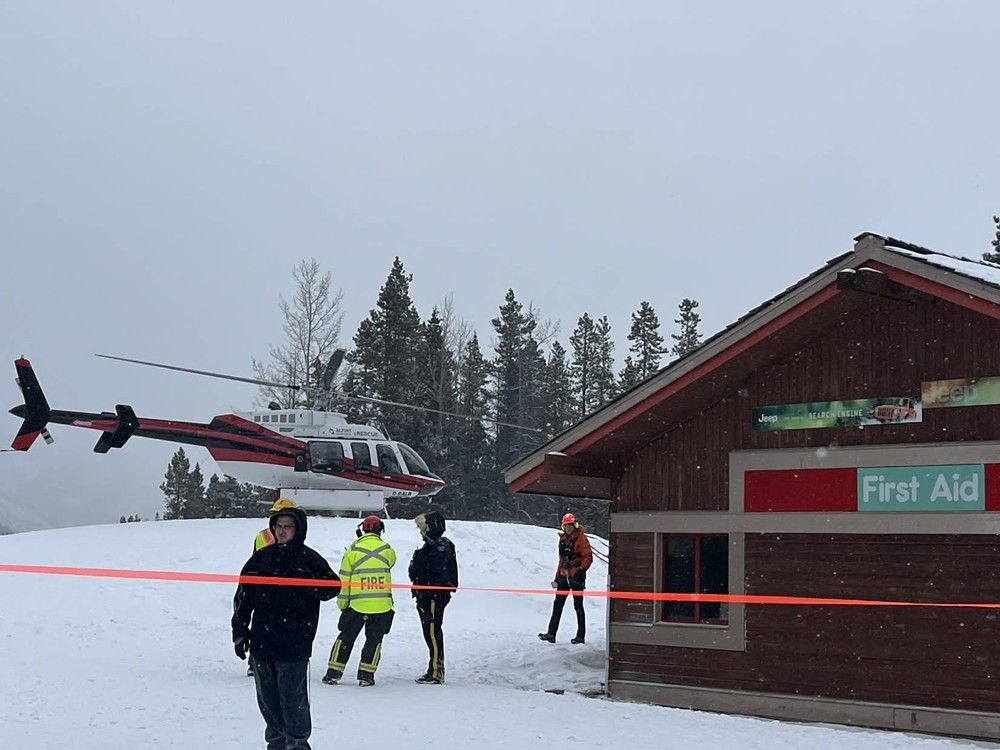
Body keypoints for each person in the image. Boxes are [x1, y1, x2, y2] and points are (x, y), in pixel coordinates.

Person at [232, 505, 339, 750]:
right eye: (278, 527)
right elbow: (243, 597)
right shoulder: (261, 558)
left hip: (295, 645)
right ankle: (276, 744)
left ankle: (298, 744)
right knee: (268, 703)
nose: (282, 531)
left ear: (298, 529)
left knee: (293, 701)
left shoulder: (309, 559)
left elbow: (332, 587)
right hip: (262, 644)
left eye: (287, 527)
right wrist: (239, 631)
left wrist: (305, 582)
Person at [322, 515, 396, 687]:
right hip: (382, 606)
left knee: (346, 638)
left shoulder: (352, 550)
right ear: (380, 530)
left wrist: (342, 604)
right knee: (374, 640)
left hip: (356, 605)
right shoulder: (388, 550)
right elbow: (390, 562)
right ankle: (366, 675)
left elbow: (345, 580)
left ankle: (333, 673)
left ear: (363, 529)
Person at [245, 497, 300, 677]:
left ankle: (255, 661)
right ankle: (262, 661)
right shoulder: (289, 535)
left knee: (261, 624)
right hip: (276, 585)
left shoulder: (261, 535)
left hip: (264, 585)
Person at [408, 511, 458, 684]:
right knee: (429, 632)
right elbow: (413, 571)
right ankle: (434, 668)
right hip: (425, 595)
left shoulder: (442, 545)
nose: (421, 533)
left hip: (434, 596)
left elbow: (431, 567)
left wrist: (418, 560)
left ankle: (437, 670)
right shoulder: (428, 547)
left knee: (433, 631)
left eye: (423, 529)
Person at [538, 512, 592, 644]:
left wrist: (580, 569)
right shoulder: (562, 540)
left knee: (578, 606)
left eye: (570, 525)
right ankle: (551, 634)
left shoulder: (581, 539)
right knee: (557, 605)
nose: (568, 528)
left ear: (575, 525)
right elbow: (561, 560)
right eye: (566, 526)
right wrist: (557, 577)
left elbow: (588, 557)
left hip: (576, 576)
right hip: (563, 576)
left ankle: (580, 636)